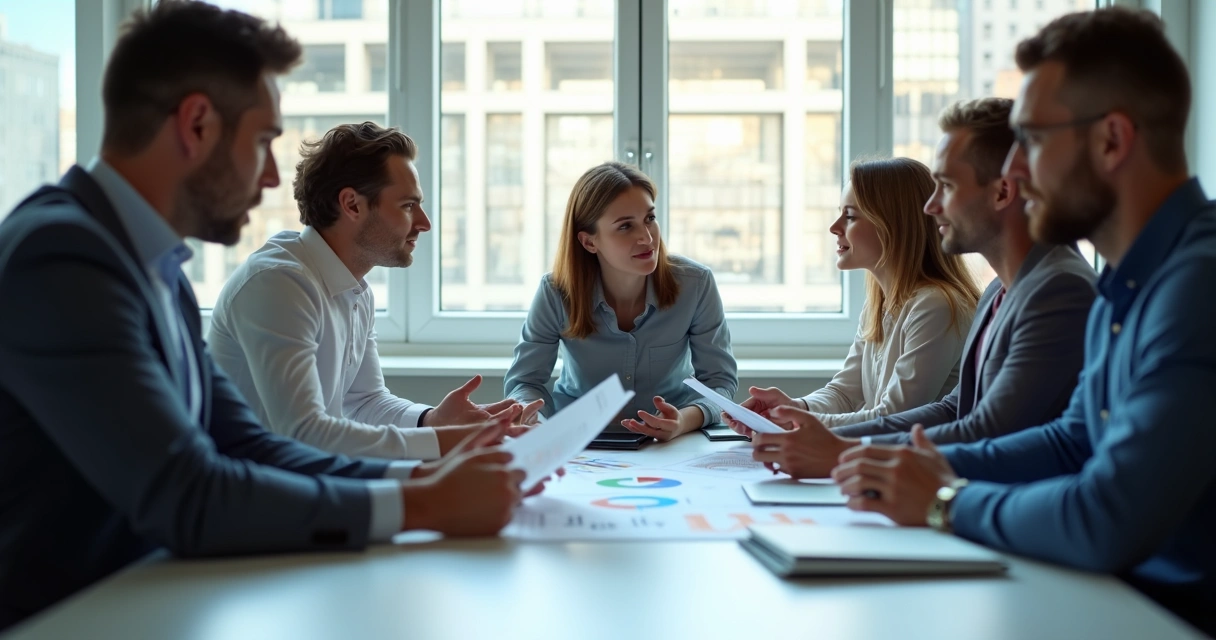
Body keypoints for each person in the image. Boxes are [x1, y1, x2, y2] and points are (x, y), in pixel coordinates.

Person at [0, 2, 525, 629]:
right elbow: (187, 493)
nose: (273, 176)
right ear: (196, 125)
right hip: (68, 616)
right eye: (262, 141)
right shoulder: (62, 256)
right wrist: (422, 503)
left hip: (148, 597)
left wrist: (431, 475)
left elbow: (246, 443)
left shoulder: (149, 261)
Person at [827, 9, 1216, 635]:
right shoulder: (1126, 281)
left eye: (1032, 140)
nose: (1014, 172)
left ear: (1112, 141)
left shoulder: (1197, 285)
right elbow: (1071, 441)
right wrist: (897, 465)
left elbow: (1106, 515)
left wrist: (944, 500)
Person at [739, 99, 1097, 476]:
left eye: (945, 185)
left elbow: (987, 430)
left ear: (1003, 192)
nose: (929, 206)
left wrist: (838, 450)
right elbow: (953, 409)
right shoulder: (999, 291)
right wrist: (827, 435)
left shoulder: (1059, 290)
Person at [208, 122, 541, 460]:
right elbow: (304, 433)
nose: (424, 223)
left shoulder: (355, 291)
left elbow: (364, 401)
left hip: (302, 485)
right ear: (352, 205)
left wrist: (434, 421)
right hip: (253, 497)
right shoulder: (278, 283)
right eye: (408, 205)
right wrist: (448, 443)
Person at [732, 158, 981, 430]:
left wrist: (795, 423)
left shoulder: (937, 306)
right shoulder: (881, 303)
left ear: (892, 225)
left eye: (849, 216)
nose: (834, 227)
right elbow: (845, 393)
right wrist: (794, 408)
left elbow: (893, 417)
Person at [503, 162, 736, 442]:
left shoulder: (695, 284)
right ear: (589, 242)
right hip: (579, 442)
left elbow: (720, 382)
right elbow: (525, 382)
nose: (647, 237)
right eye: (625, 226)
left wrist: (683, 421)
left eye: (649, 219)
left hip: (671, 444)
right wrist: (535, 422)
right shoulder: (555, 291)